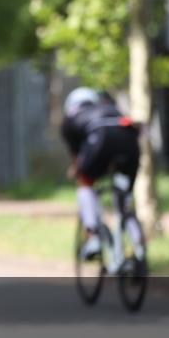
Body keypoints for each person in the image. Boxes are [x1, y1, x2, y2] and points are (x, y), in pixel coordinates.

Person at [60, 87, 142, 258]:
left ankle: (93, 237)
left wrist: (76, 170)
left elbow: (78, 157)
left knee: (85, 183)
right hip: (129, 139)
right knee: (125, 197)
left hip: (100, 137)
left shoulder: (70, 119)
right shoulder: (109, 108)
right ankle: (138, 242)